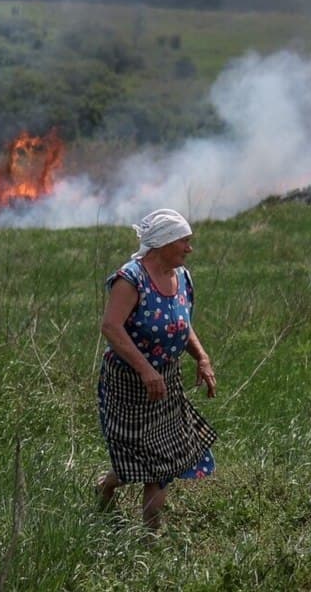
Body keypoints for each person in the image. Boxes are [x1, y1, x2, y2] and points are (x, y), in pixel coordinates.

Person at [95, 208, 218, 528]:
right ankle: (107, 487)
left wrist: (201, 358)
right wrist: (145, 370)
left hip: (166, 381)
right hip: (129, 383)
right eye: (185, 242)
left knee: (163, 459)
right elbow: (111, 327)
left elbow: (181, 324)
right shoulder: (131, 278)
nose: (190, 249)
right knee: (136, 457)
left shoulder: (183, 278)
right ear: (164, 243)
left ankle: (151, 537)